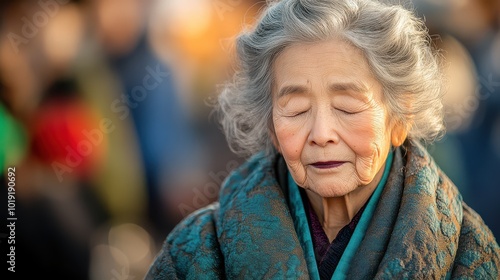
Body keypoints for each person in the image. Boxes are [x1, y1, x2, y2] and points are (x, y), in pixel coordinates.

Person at [146, 0, 500, 279]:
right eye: (296, 109)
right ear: (270, 124)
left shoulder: (469, 255)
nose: (321, 135)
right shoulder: (195, 254)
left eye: (347, 107)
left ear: (400, 118)